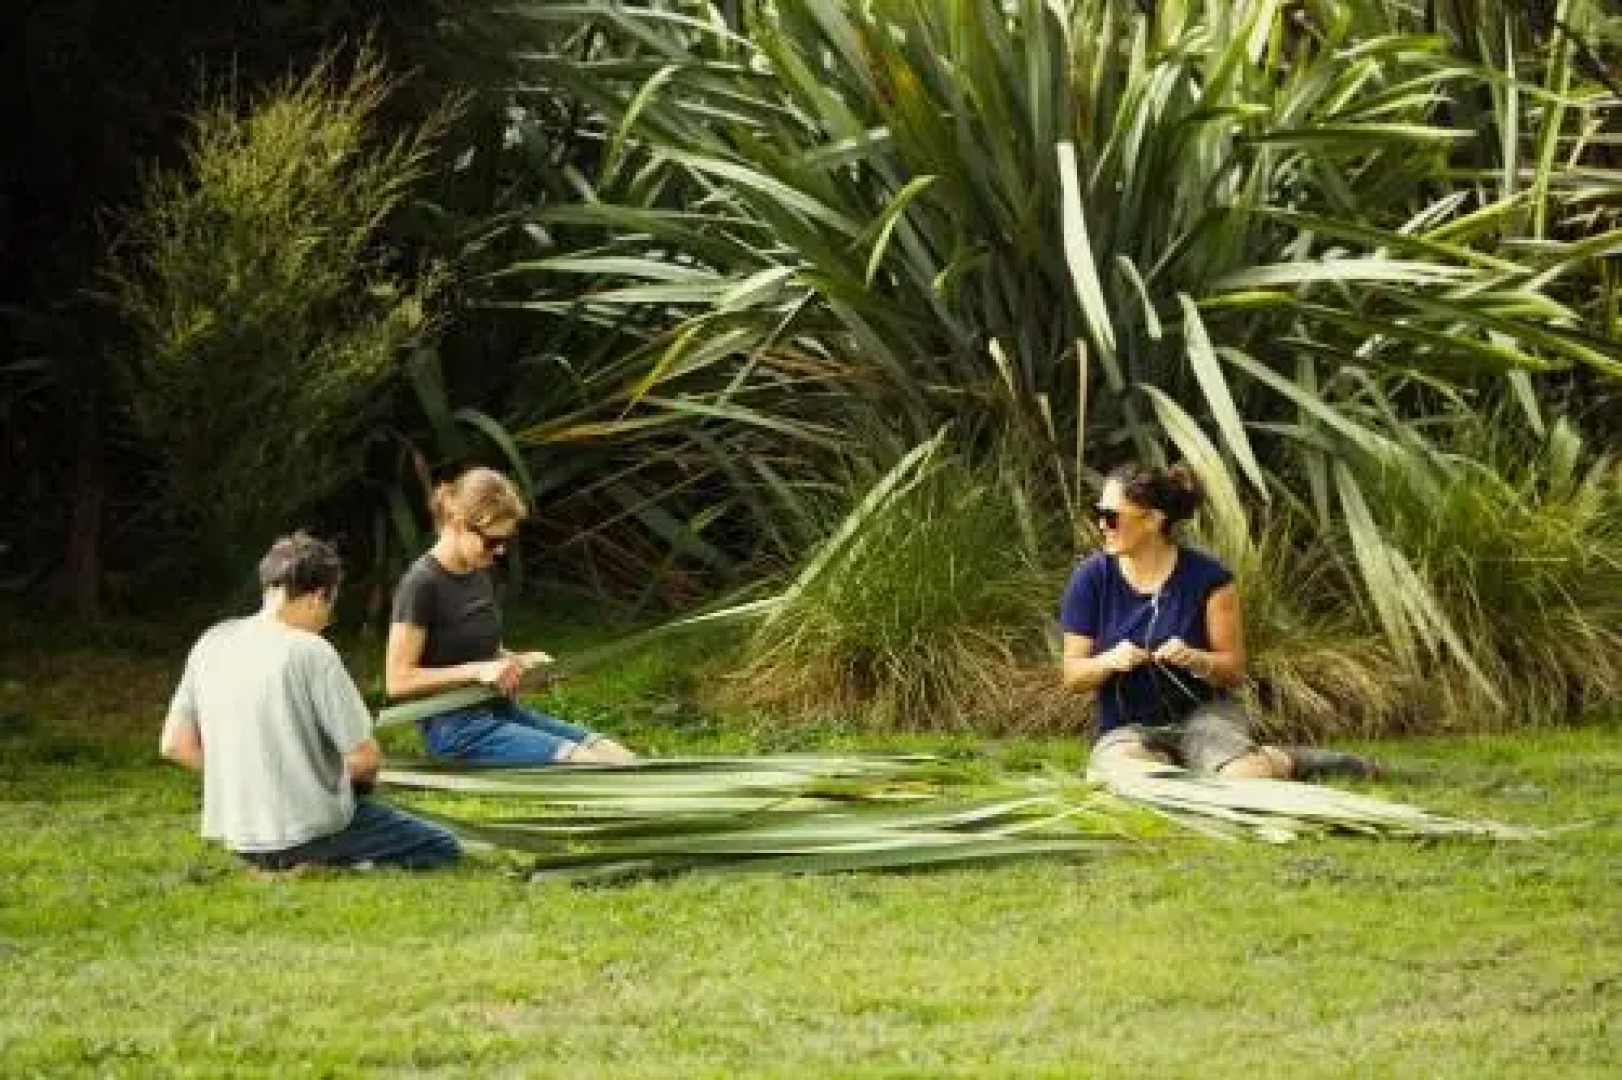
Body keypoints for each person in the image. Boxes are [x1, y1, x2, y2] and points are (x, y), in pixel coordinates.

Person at [160, 533, 462, 872]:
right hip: (308, 830)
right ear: (319, 597)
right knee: (441, 847)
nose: (326, 622)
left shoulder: (212, 642)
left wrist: (249, 778)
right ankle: (322, 866)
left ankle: (297, 866)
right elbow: (365, 759)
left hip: (241, 836)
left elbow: (175, 746)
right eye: (330, 609)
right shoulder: (311, 651)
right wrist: (312, 783)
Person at [1060, 463, 1378, 780]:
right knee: (1126, 775)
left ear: (1153, 521)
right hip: (1127, 725)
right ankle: (1192, 764)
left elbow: (1233, 671)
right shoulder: (1091, 578)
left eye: (1112, 516)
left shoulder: (1209, 579)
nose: (1102, 525)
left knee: (1245, 778)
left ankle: (1280, 761)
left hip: (1205, 716)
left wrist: (1198, 659)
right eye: (1099, 513)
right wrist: (1109, 661)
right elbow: (1073, 676)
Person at [385, 467, 635, 766]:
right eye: (492, 541)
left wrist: (521, 662)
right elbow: (398, 681)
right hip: (456, 730)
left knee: (618, 757)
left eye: (505, 541)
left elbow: (485, 653)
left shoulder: (479, 570)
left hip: (499, 710)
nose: (500, 550)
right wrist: (477, 671)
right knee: (591, 765)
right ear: (457, 524)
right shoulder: (420, 584)